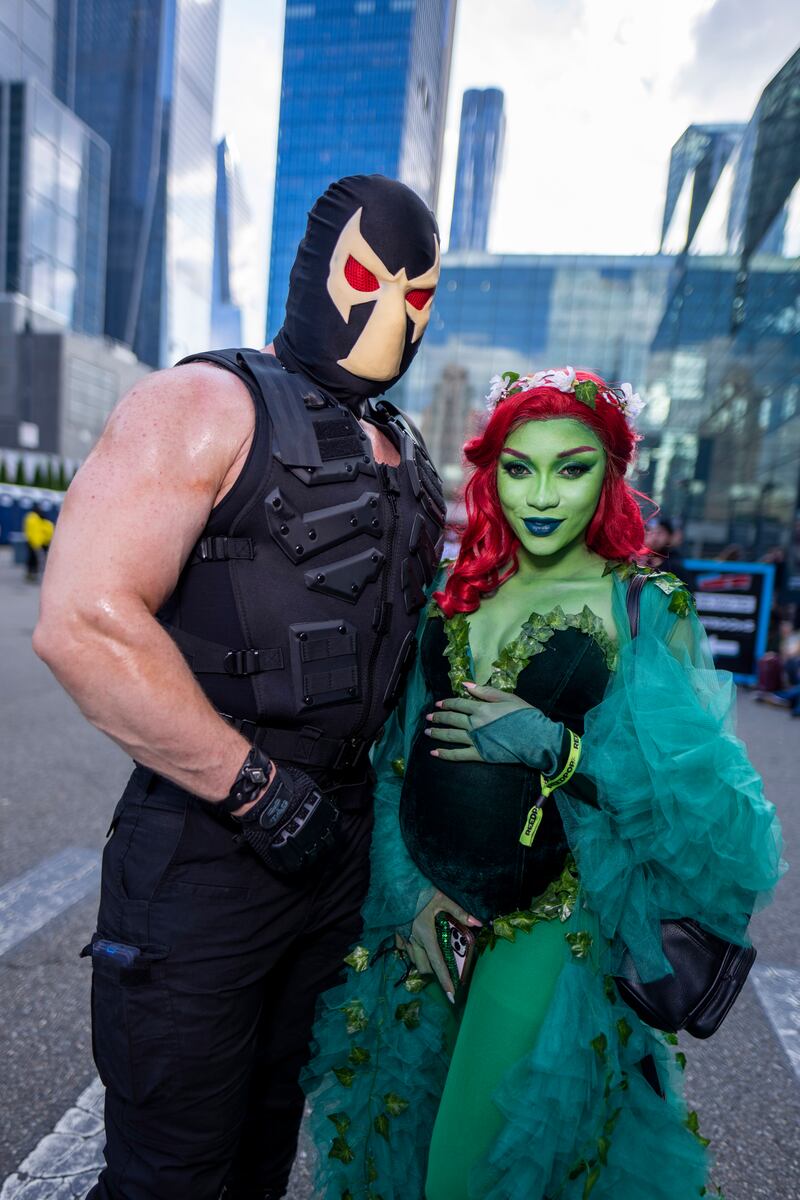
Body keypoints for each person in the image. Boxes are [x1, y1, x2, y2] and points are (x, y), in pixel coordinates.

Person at [33, 175, 445, 1200]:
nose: (391, 313)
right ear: (315, 272)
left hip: (341, 854)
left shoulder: (407, 451)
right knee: (171, 1169)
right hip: (210, 846)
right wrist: (252, 783)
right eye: (367, 278)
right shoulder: (200, 403)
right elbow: (83, 619)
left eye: (418, 293)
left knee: (264, 1146)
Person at [302, 366, 784, 1200]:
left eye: (573, 467)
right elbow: (395, 769)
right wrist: (412, 895)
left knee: (471, 1169)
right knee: (402, 1154)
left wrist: (556, 749)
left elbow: (701, 816)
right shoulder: (450, 596)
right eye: (519, 467)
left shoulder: (641, 606)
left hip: (553, 920)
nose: (542, 494)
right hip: (426, 915)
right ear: (490, 472)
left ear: (611, 476)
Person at [23, 502, 54, 581]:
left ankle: (31, 574)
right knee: (37, 559)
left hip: (34, 542)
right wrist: (37, 543)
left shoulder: (32, 518)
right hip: (37, 542)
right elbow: (35, 533)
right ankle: (34, 575)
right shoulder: (36, 519)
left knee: (32, 559)